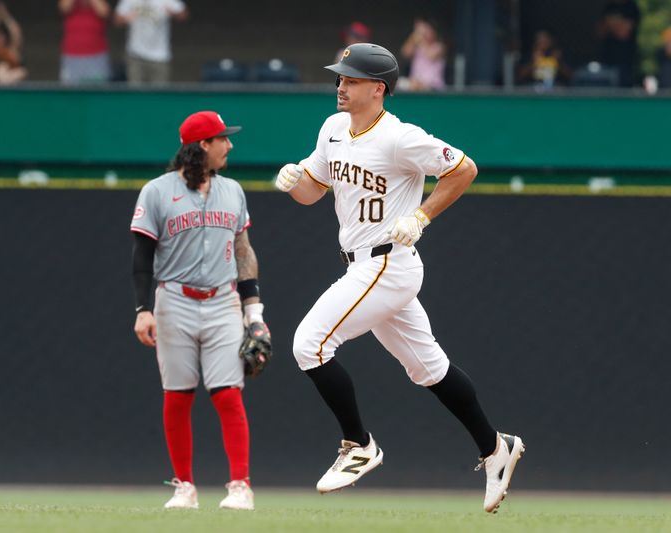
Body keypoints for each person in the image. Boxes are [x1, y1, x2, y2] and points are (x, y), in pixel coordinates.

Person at [274, 43, 524, 514]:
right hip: (361, 262)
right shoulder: (332, 129)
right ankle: (495, 447)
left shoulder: (399, 137)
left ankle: (358, 444)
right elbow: (312, 193)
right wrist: (296, 182)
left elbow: (463, 168)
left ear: (378, 88)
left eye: (350, 79)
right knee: (428, 368)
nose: (340, 86)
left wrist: (424, 215)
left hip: (388, 262)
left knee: (310, 344)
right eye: (340, 78)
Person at [130, 110, 267, 510]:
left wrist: (253, 311)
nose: (230, 145)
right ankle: (184, 487)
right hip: (173, 299)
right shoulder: (156, 191)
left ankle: (240, 485)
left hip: (223, 300)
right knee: (178, 394)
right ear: (203, 145)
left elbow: (243, 251)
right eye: (223, 138)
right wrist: (143, 308)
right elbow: (141, 256)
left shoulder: (233, 190)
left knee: (228, 393)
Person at [114, 0, 188, 84]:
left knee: (159, 94)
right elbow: (117, 20)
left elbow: (183, 15)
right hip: (135, 55)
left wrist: (173, 13)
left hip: (160, 56)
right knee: (135, 94)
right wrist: (125, 19)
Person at [58, 0, 111, 83]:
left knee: (98, 91)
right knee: (70, 92)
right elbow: (64, 8)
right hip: (72, 54)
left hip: (96, 54)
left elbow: (104, 12)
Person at [597, 0, 640, 87]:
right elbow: (599, 32)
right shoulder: (610, 6)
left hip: (625, 62)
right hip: (606, 59)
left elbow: (623, 33)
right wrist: (617, 24)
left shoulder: (631, 6)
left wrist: (610, 23)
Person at [399, 17, 445, 91]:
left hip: (433, 87)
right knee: (399, 83)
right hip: (415, 85)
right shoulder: (417, 46)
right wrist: (414, 35)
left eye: (428, 31)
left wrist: (420, 38)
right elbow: (405, 53)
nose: (426, 33)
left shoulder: (439, 47)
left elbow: (430, 56)